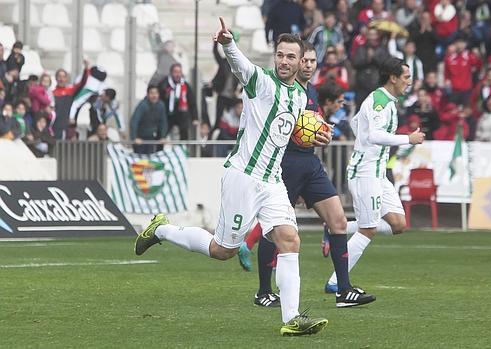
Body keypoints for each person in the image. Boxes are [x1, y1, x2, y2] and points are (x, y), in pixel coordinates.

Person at [134, 18, 327, 336]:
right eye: (280, 54)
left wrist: (316, 134)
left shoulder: (299, 98)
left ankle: (291, 318)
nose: (284, 60)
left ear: (301, 61)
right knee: (222, 250)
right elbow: (241, 66)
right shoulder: (262, 82)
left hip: (272, 181)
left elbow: (285, 130)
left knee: (290, 240)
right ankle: (162, 230)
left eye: (291, 56)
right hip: (243, 177)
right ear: (275, 56)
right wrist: (227, 43)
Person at [237, 42, 376, 309]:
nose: (309, 65)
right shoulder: (282, 90)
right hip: (285, 163)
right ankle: (264, 291)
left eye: (313, 61)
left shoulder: (310, 91)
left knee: (338, 221)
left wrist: (322, 134)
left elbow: (309, 127)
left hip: (310, 163)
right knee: (273, 229)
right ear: (298, 62)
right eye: (306, 60)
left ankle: (344, 290)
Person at [322, 57, 425, 292]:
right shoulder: (379, 100)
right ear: (393, 78)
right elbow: (375, 135)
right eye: (406, 77)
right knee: (368, 229)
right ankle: (336, 282)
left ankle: (335, 228)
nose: (409, 82)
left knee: (398, 224)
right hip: (364, 173)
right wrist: (407, 138)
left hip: (378, 174)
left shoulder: (385, 101)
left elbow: (358, 123)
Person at [158, 63, 197, 140]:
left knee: (184, 132)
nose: (178, 74)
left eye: (179, 72)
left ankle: (183, 150)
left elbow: (192, 102)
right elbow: (159, 99)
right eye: (175, 72)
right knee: (162, 133)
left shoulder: (185, 85)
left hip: (181, 114)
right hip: (168, 114)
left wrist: (195, 117)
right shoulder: (164, 84)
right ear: (171, 73)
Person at [130, 86, 168, 154]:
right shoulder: (143, 105)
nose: (154, 96)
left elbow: (163, 122)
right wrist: (134, 137)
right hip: (140, 137)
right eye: (151, 93)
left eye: (156, 93)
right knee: (140, 159)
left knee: (151, 158)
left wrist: (163, 136)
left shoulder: (161, 105)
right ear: (147, 95)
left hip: (152, 137)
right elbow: (134, 121)